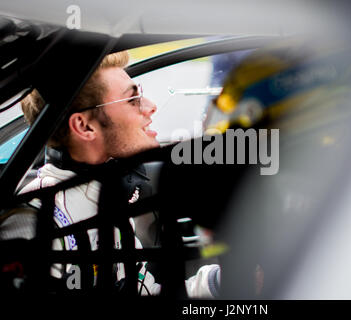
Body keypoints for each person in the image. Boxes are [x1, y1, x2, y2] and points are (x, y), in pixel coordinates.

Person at [19, 51, 220, 297]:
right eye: (132, 99)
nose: (151, 107)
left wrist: (217, 282)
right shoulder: (36, 222)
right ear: (85, 126)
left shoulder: (105, 198)